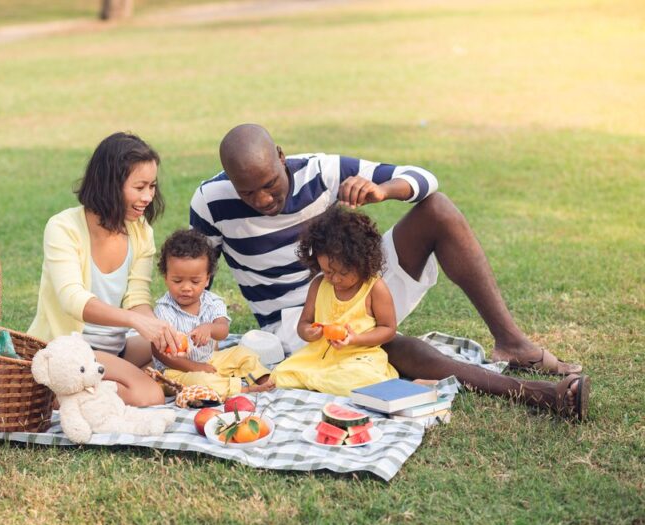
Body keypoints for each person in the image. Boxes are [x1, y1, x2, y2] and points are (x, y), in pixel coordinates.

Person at [189, 123, 589, 420]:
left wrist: (383, 191)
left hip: (355, 286)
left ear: (280, 156)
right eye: (247, 191)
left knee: (438, 208)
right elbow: (200, 275)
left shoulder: (321, 170)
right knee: (396, 348)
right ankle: (537, 393)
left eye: (270, 184)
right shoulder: (210, 201)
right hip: (298, 326)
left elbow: (425, 179)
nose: (262, 199)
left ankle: (513, 344)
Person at [29, 132, 184, 407]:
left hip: (112, 348)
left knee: (173, 353)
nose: (148, 196)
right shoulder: (63, 228)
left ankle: (86, 388)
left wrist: (155, 328)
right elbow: (72, 299)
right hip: (70, 351)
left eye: (153, 186)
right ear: (110, 185)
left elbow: (137, 296)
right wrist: (135, 322)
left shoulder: (140, 232)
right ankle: (56, 392)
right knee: (150, 395)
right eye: (140, 187)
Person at [270, 206, 400, 396]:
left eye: (344, 273)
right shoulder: (319, 285)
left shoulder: (374, 288)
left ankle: (318, 383)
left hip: (358, 358)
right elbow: (304, 323)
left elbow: (388, 329)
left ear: (362, 262)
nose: (335, 279)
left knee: (361, 379)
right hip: (318, 357)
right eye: (329, 272)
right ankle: (321, 381)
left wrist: (355, 339)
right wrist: (309, 332)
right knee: (278, 375)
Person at [151, 229, 274, 399]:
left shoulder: (212, 302)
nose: (186, 287)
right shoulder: (163, 310)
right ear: (166, 277)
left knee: (242, 352)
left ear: (207, 279)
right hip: (175, 372)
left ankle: (262, 378)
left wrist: (210, 328)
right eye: (177, 280)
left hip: (210, 359)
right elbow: (158, 352)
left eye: (195, 281)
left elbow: (223, 330)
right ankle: (241, 390)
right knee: (202, 381)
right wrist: (194, 367)